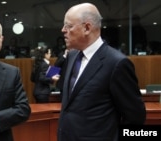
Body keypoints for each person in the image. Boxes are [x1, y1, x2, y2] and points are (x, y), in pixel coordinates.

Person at [57, 3, 146, 141]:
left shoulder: (117, 63)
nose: (63, 30)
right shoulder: (72, 56)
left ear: (87, 28)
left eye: (68, 26)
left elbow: (135, 117)